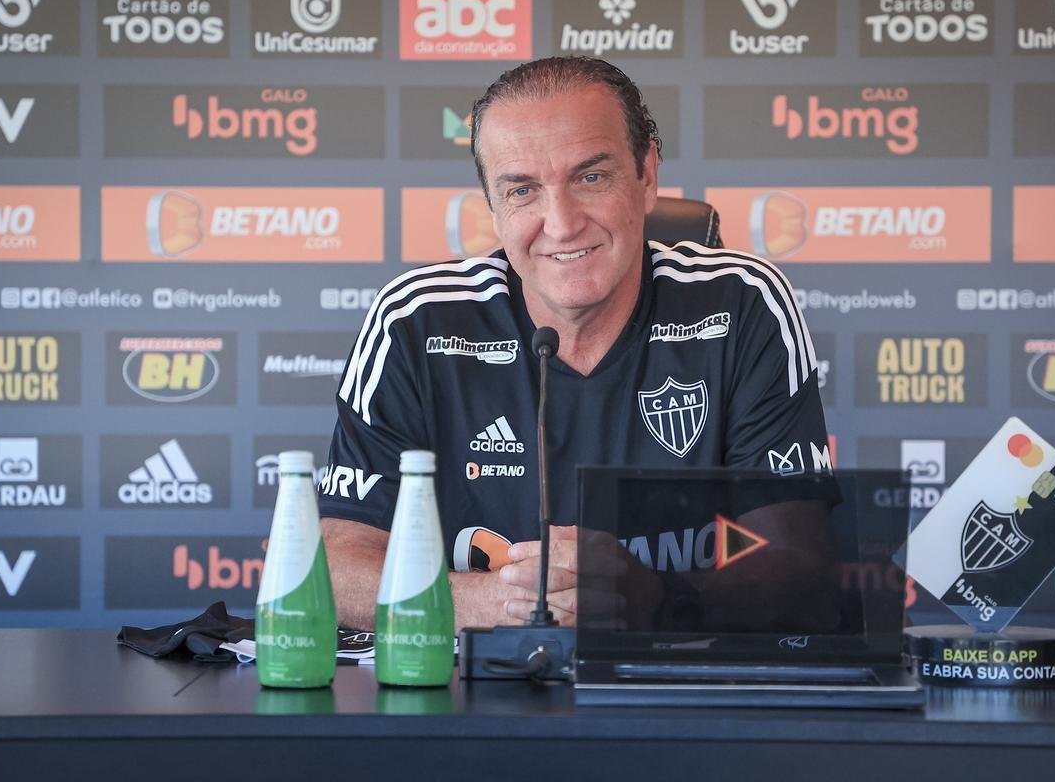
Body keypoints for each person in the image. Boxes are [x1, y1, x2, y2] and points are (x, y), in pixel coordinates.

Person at [319, 56, 828, 631]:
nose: (560, 224)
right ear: (492, 203)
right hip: (475, 696)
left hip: (676, 695)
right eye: (522, 190)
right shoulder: (417, 319)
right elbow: (335, 569)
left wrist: (655, 599)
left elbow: (800, 567)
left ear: (647, 174)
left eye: (590, 177)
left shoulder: (741, 302)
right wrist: (507, 603)